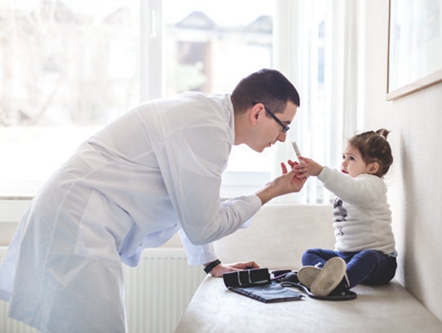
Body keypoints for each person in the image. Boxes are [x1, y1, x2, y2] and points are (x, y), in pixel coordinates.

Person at [0, 69, 305, 333]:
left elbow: (188, 203)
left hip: (77, 217)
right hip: (77, 221)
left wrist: (211, 263)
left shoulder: (209, 119)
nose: (281, 138)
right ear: (258, 112)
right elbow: (203, 226)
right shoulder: (207, 130)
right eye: (284, 126)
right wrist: (270, 191)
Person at [292, 129, 396, 297]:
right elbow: (346, 188)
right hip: (346, 256)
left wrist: (320, 171)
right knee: (310, 254)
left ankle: (338, 283)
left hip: (381, 263)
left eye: (351, 158)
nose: (344, 163)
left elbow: (352, 190)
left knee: (369, 256)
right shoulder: (353, 184)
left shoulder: (373, 184)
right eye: (343, 157)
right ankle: (323, 277)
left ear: (372, 167)